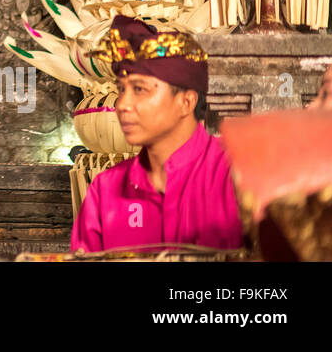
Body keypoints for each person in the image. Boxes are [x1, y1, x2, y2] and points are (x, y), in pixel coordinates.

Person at [71, 16, 243, 253]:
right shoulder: (106, 189)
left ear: (186, 101)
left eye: (139, 89)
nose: (122, 104)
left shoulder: (240, 178)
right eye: (122, 90)